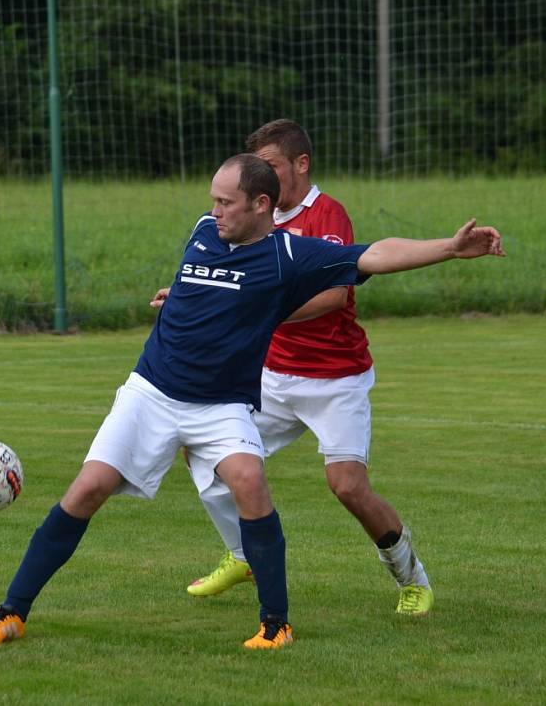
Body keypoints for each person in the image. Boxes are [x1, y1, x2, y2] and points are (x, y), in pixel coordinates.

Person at [0, 153, 504, 650]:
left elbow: (374, 255)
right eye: (213, 198)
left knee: (249, 481)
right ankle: (11, 612)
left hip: (222, 404)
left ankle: (276, 624)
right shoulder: (206, 232)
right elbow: (206, 288)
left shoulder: (289, 256)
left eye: (226, 202)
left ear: (261, 205)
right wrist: (178, 293)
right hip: (150, 391)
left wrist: (449, 248)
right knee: (87, 488)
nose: (214, 210)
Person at [154, 120, 455, 616]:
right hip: (270, 377)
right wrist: (191, 298)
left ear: (300, 164)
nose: (261, 178)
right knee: (201, 451)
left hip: (335, 379)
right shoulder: (249, 220)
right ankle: (241, 555)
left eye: (270, 166)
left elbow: (337, 293)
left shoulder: (326, 214)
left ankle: (412, 579)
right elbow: (224, 279)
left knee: (348, 487)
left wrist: (260, 310)